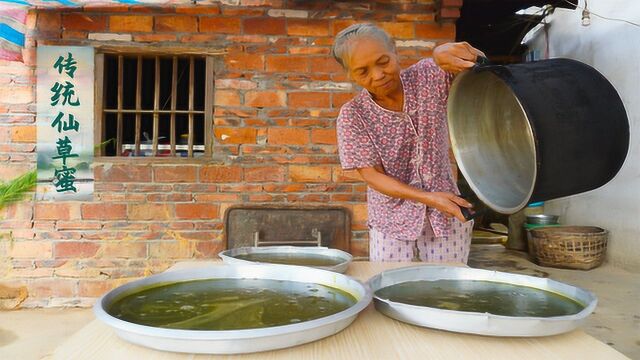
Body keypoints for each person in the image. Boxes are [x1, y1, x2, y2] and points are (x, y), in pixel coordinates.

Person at [332, 23, 485, 263]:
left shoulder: (429, 75)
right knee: (390, 288)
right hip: (390, 219)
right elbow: (371, 175)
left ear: (394, 50)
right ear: (349, 74)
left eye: (383, 62)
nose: (378, 75)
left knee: (446, 290)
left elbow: (479, 67)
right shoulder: (353, 115)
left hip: (446, 211)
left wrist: (443, 53)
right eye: (363, 71)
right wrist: (430, 198)